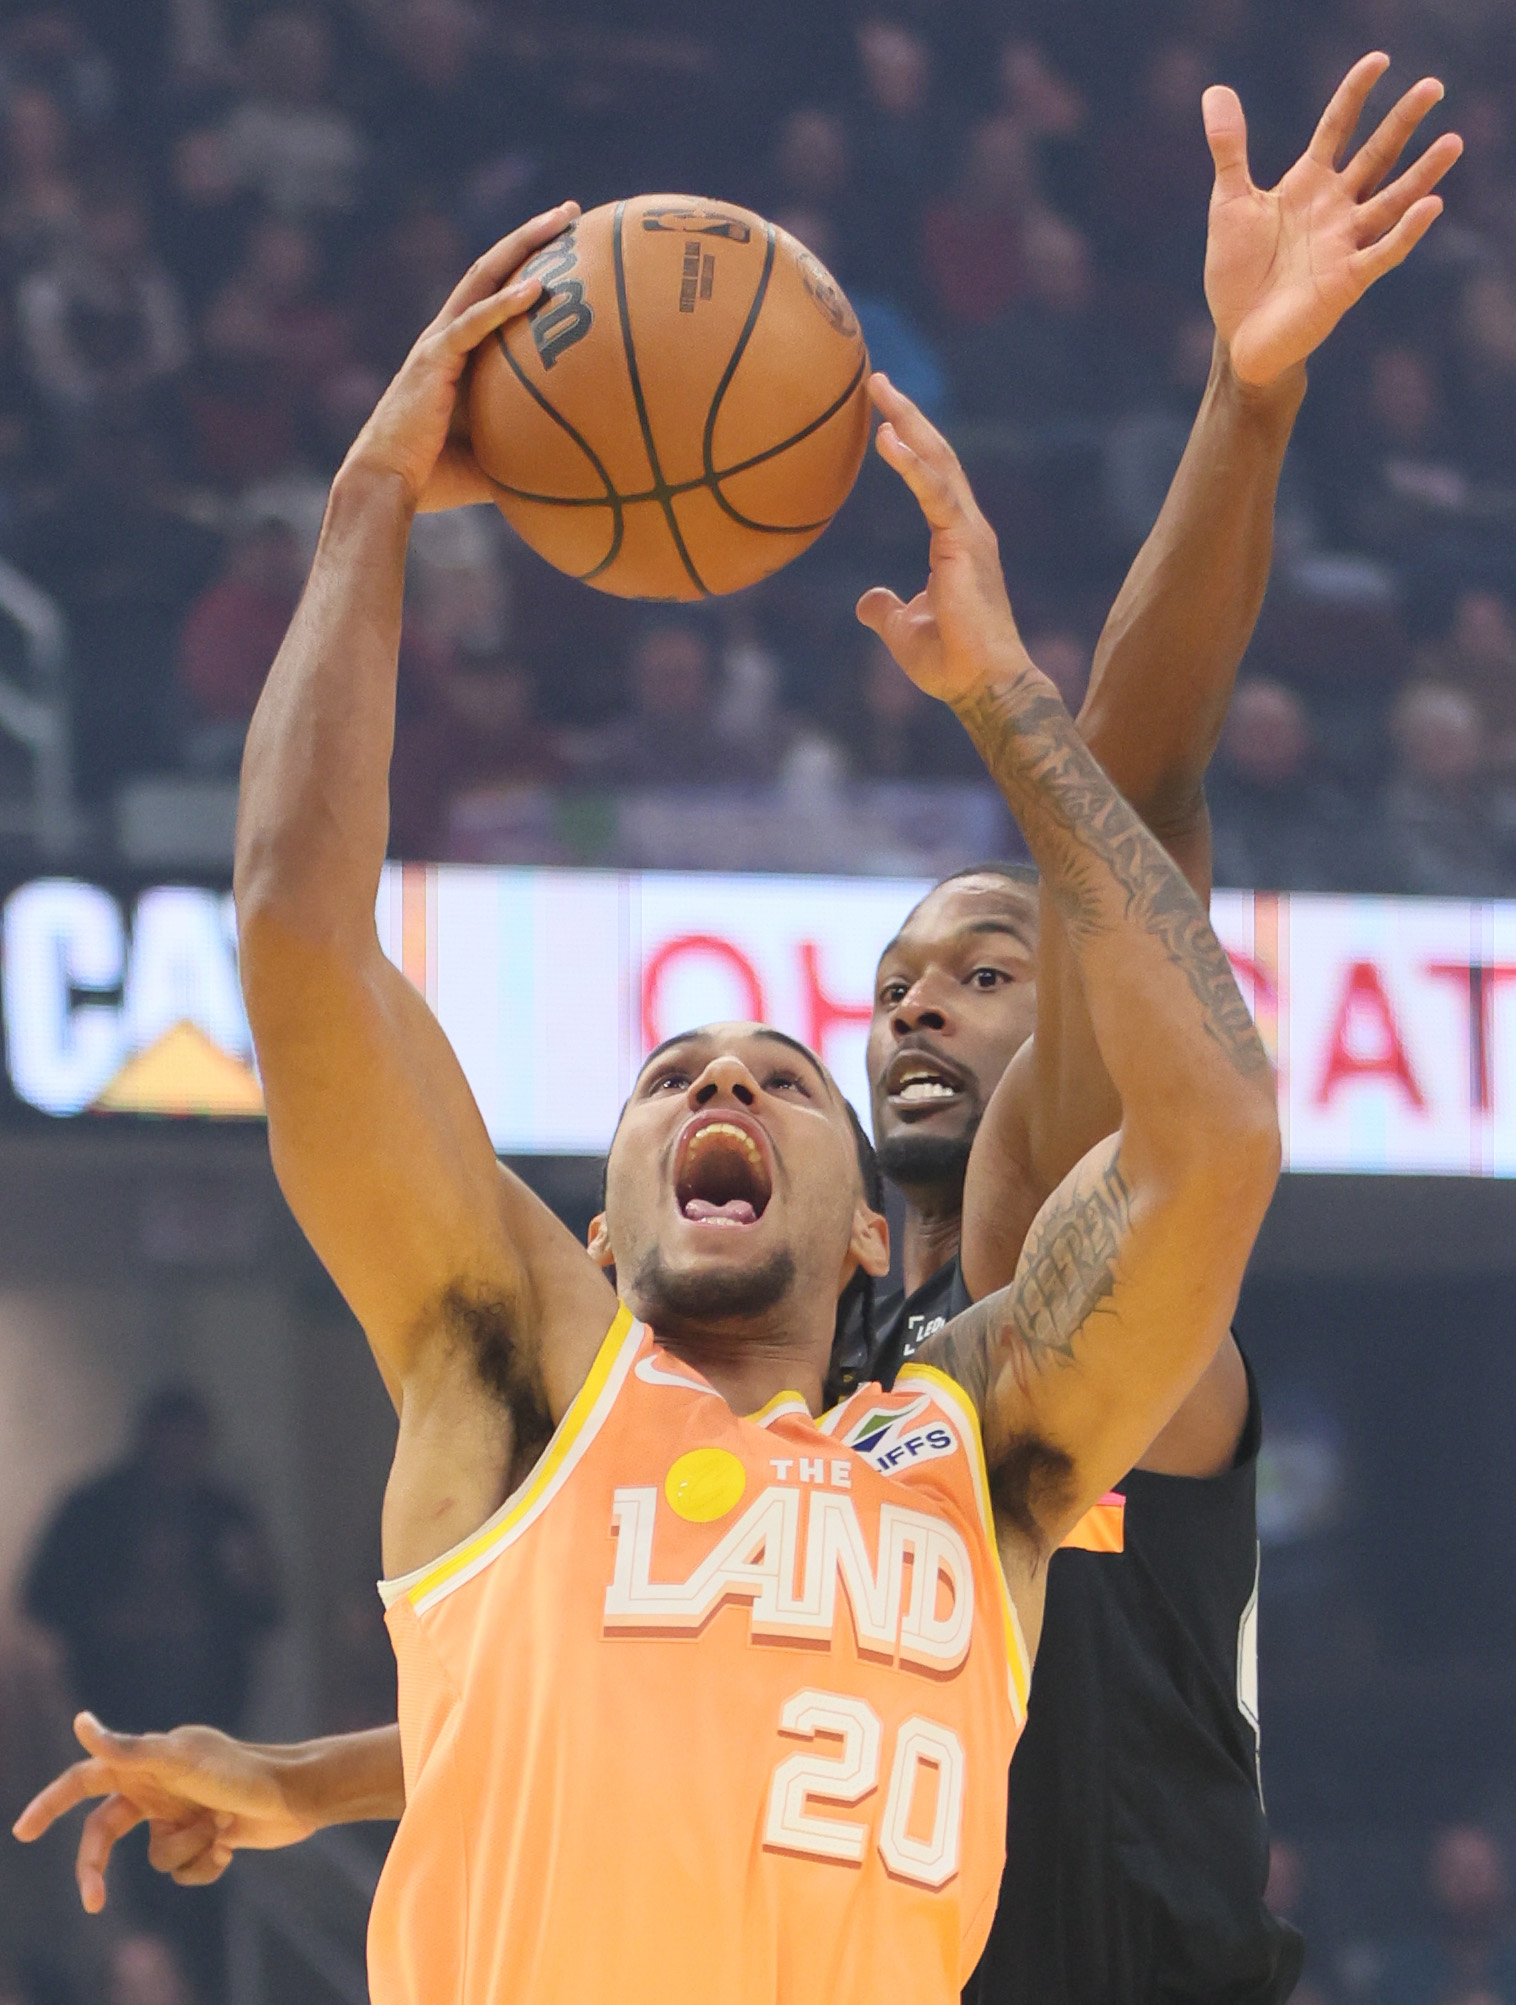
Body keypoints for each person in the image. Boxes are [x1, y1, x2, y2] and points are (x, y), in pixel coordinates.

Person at [16, 52, 1461, 2005]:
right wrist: (365, 501)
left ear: (863, 1216)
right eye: (857, 1009)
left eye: (789, 1068)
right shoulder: (550, 1382)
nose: (746, 1068)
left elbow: (1152, 855)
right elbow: (623, 1697)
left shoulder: (992, 1396)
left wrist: (1116, 551)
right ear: (596, 1234)